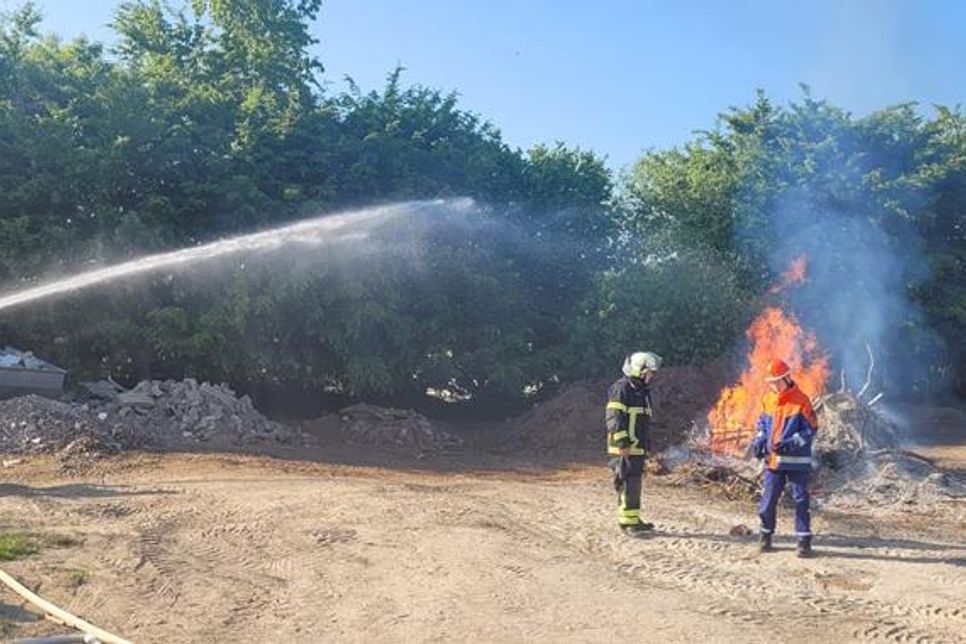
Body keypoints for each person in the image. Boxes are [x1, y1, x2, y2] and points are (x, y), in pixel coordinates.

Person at [749, 358, 819, 557]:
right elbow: (762, 424)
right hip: (774, 461)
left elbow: (811, 429)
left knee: (800, 501)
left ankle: (803, 541)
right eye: (771, 382)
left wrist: (791, 444)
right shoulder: (768, 399)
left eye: (776, 381)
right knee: (768, 500)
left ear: (787, 378)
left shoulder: (801, 400)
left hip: (797, 463)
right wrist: (760, 441)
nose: (773, 385)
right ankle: (765, 535)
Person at [605, 351, 662, 535]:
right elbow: (614, 418)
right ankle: (627, 523)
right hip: (624, 447)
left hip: (637, 447)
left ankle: (633, 519)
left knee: (635, 483)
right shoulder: (622, 389)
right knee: (626, 482)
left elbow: (641, 423)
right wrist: (623, 441)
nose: (651, 376)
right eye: (649, 372)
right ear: (638, 370)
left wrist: (645, 445)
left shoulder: (641, 392)